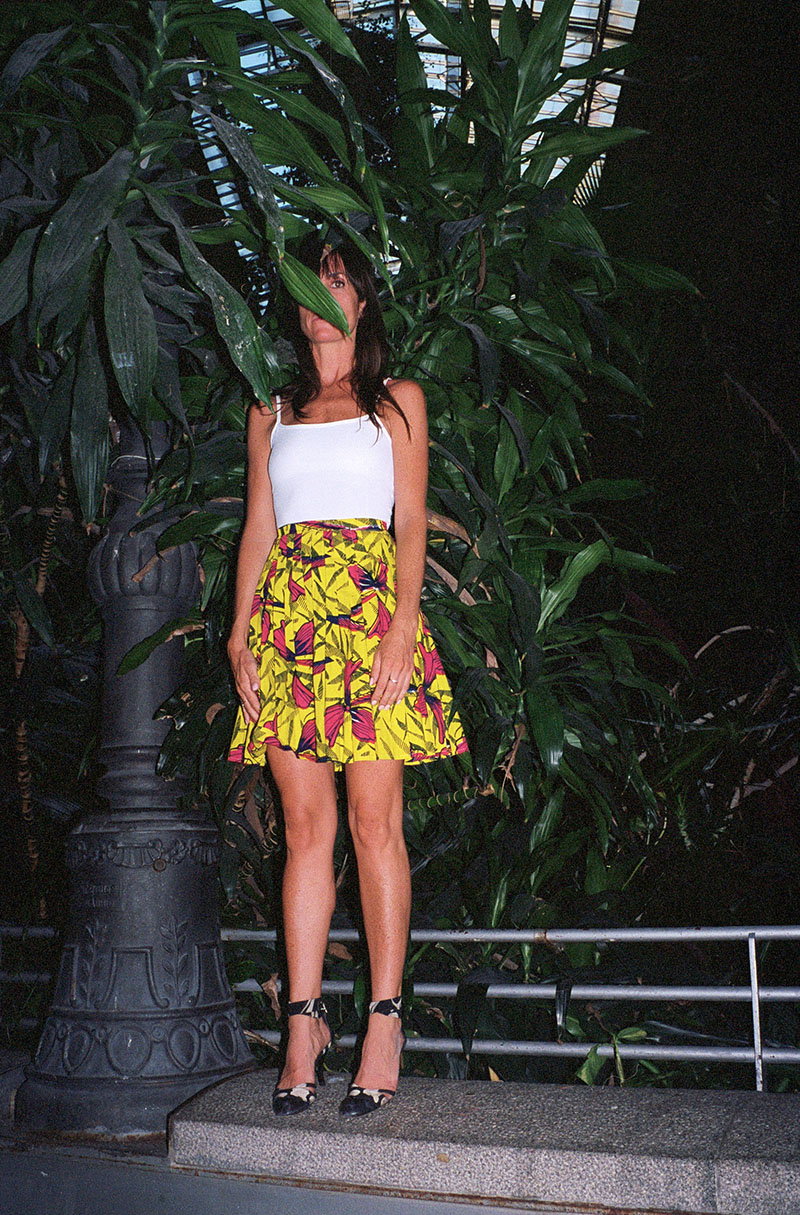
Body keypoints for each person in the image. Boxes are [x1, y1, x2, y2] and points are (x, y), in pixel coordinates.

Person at [227, 238, 467, 1118]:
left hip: (368, 620)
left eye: (338, 282)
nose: (322, 298)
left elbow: (411, 524)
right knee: (304, 827)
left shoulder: (398, 402)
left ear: (363, 301)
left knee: (373, 822)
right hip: (289, 623)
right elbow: (259, 527)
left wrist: (403, 625)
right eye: (309, 284)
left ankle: (384, 1021)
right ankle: (302, 1026)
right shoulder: (271, 410)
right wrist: (239, 636)